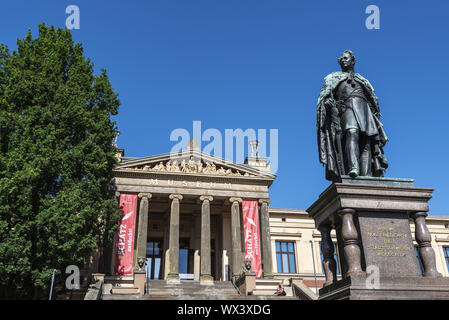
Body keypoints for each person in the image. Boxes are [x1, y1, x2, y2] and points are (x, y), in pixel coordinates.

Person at [317, 50, 388, 181]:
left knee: (366, 141)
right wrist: (327, 103)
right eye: (341, 59)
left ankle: (366, 174)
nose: (343, 61)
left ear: (353, 61)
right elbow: (324, 97)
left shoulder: (362, 80)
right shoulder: (333, 78)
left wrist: (375, 111)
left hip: (364, 110)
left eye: (346, 58)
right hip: (347, 108)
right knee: (352, 132)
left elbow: (372, 98)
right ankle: (353, 167)